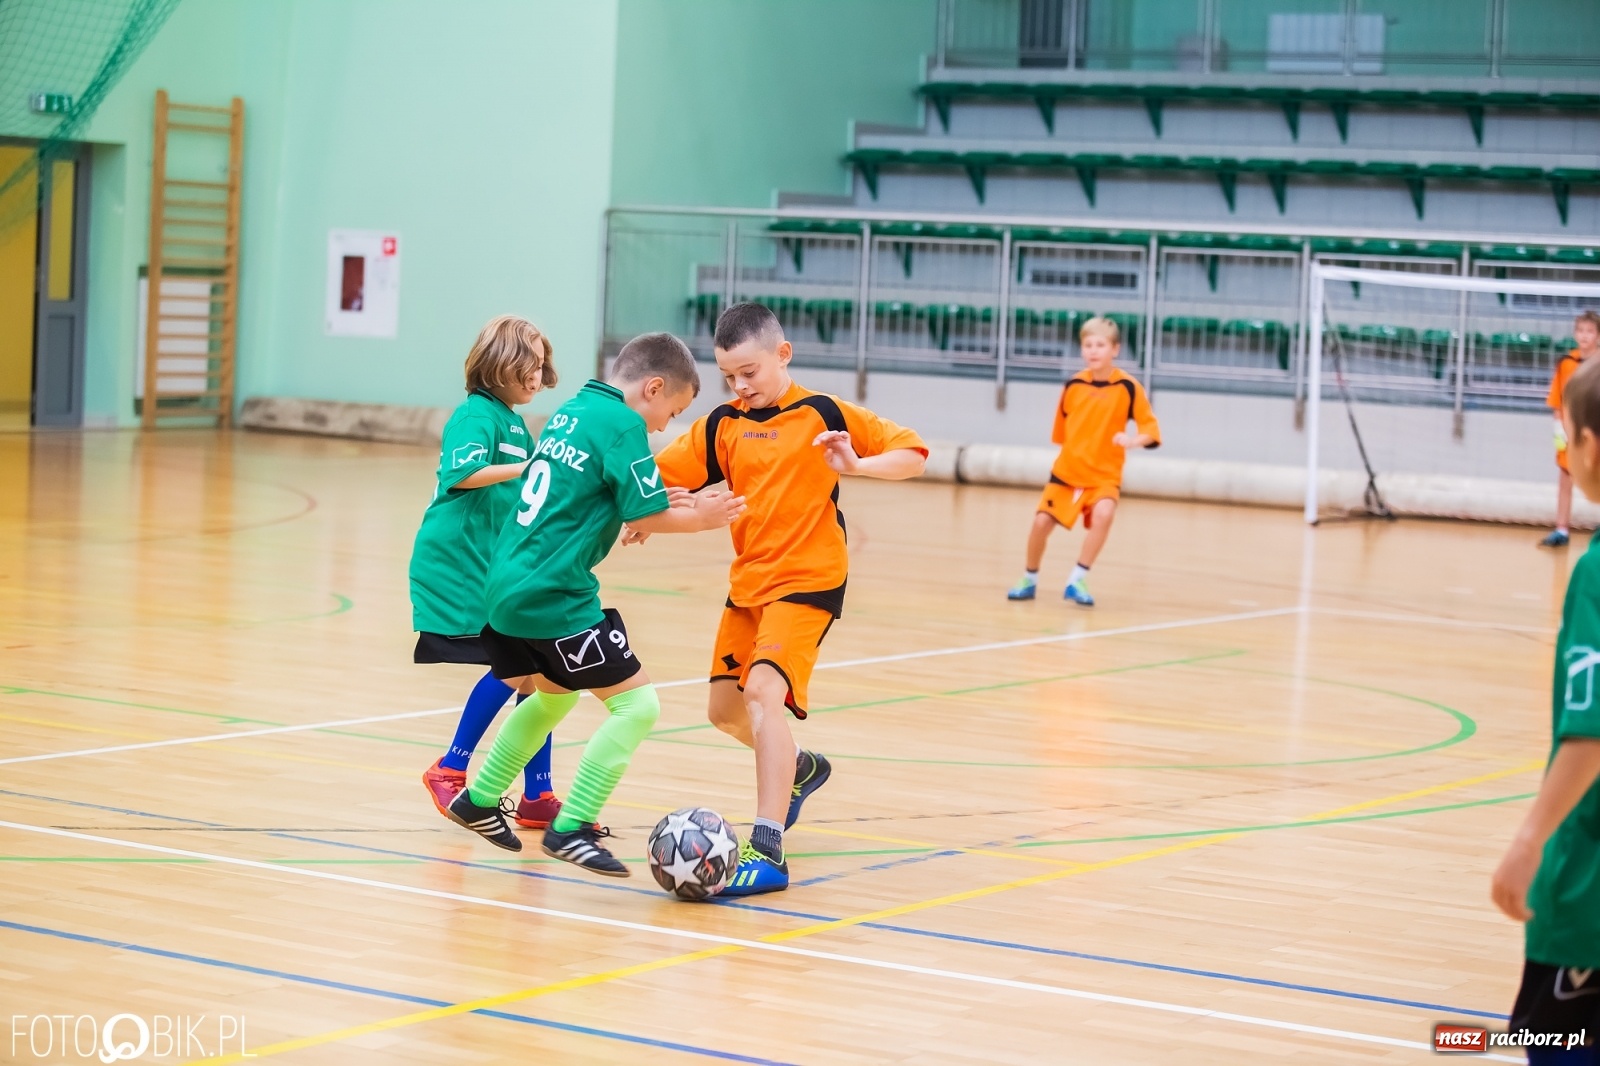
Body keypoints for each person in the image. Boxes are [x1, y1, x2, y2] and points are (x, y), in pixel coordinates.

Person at [445, 332, 745, 876]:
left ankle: (479, 799)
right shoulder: (624, 425)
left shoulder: (576, 409)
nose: (662, 427)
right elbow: (645, 515)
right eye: (670, 412)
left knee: (555, 698)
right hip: (553, 593)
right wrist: (704, 517)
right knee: (638, 706)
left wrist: (666, 502)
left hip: (507, 584)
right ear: (652, 388)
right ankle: (572, 827)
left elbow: (597, 494)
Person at [654, 301, 928, 896]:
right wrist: (644, 514)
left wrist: (858, 465)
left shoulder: (821, 412)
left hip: (810, 578)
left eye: (749, 372)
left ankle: (768, 847)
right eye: (729, 376)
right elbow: (659, 475)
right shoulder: (722, 424)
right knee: (724, 712)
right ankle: (799, 768)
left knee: (761, 693)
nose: (739, 386)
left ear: (783, 354)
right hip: (749, 583)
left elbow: (912, 453)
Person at [412, 315, 562, 828]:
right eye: (529, 364)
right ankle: (451, 767)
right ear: (498, 364)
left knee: (542, 673)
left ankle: (537, 795)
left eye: (542, 365)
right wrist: (531, 468)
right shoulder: (477, 415)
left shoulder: (515, 422)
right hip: (458, 562)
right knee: (522, 666)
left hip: (491, 561)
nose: (538, 375)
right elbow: (464, 472)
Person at [1493, 355, 1600, 1064]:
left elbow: (1591, 733)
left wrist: (1530, 839)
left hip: (1589, 891)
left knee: (1549, 1042)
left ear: (1590, 446)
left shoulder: (1595, 574)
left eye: (1566, 437)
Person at [1005, 315, 1160, 607]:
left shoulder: (1129, 388)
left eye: (1100, 344)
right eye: (1088, 345)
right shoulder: (1073, 385)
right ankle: (1029, 578)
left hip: (1104, 476)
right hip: (1068, 473)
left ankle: (1078, 578)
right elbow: (1062, 434)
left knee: (1104, 514)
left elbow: (1150, 431)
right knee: (1040, 523)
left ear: (1115, 349)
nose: (1093, 350)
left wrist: (1132, 441)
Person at [1540, 310, 1600, 549]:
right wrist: (1559, 430)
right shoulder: (1566, 363)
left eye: (1590, 331)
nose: (1584, 336)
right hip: (1569, 434)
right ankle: (1561, 529)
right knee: (1565, 478)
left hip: (1594, 434)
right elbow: (1557, 399)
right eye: (1581, 331)